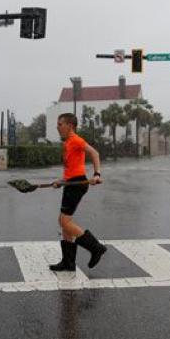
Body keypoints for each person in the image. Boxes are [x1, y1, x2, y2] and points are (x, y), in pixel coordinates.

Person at [49, 113, 107, 272]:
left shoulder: (75, 140)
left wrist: (97, 174)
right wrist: (62, 181)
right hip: (71, 183)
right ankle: (68, 262)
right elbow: (72, 169)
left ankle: (96, 248)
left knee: (65, 222)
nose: (57, 127)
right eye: (58, 124)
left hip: (78, 184)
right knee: (63, 221)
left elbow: (95, 153)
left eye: (60, 124)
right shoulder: (68, 142)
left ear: (70, 125)